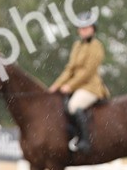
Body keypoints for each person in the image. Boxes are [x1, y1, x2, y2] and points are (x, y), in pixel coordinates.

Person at [47, 10, 109, 154]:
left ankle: (84, 141)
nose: (83, 30)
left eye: (86, 27)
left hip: (90, 87)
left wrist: (70, 85)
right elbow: (69, 69)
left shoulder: (96, 46)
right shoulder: (77, 45)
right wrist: (57, 85)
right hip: (75, 86)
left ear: (93, 29)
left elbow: (88, 72)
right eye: (81, 28)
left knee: (73, 106)